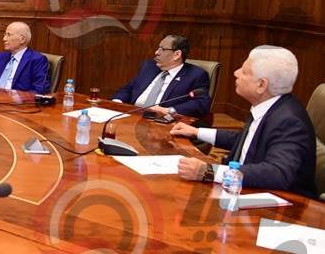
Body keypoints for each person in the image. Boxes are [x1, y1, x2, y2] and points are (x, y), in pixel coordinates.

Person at [171, 46, 317, 198]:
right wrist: (196, 132)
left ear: (261, 85)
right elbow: (247, 140)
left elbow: (278, 173)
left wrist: (209, 171)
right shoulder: (268, 105)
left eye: (245, 72)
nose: (236, 73)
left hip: (280, 203)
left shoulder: (289, 121)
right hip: (242, 190)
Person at [111, 34, 210, 118]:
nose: (156, 53)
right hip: (132, 115)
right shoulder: (149, 67)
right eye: (158, 48)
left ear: (177, 54)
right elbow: (129, 89)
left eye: (162, 49)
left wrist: (170, 110)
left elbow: (201, 104)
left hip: (161, 121)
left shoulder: (195, 75)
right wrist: (117, 102)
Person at [0, 22, 49, 94]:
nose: (4, 39)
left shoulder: (37, 60)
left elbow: (39, 90)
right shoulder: (1, 56)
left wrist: (15, 98)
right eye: (4, 35)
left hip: (15, 101)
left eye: (8, 35)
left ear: (22, 39)